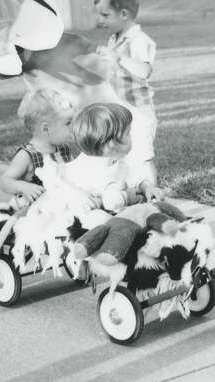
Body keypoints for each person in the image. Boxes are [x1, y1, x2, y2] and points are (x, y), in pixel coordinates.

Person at [69, 102, 162, 266]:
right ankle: (104, 253)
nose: (131, 136)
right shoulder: (95, 169)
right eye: (128, 133)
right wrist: (130, 196)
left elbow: (135, 177)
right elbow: (111, 201)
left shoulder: (119, 160)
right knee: (101, 221)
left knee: (140, 215)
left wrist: (146, 187)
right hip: (88, 212)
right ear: (111, 144)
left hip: (111, 208)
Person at [93, 0, 158, 190]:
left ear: (123, 14)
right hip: (120, 114)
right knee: (121, 159)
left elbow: (144, 71)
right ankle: (129, 196)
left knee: (142, 157)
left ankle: (153, 196)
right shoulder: (115, 39)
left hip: (138, 113)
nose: (100, 21)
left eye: (105, 15)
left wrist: (118, 58)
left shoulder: (139, 40)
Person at [0, 89, 75, 208]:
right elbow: (5, 181)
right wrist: (23, 186)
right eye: (68, 123)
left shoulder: (63, 149)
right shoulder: (27, 155)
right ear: (45, 128)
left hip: (59, 208)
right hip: (33, 214)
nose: (73, 127)